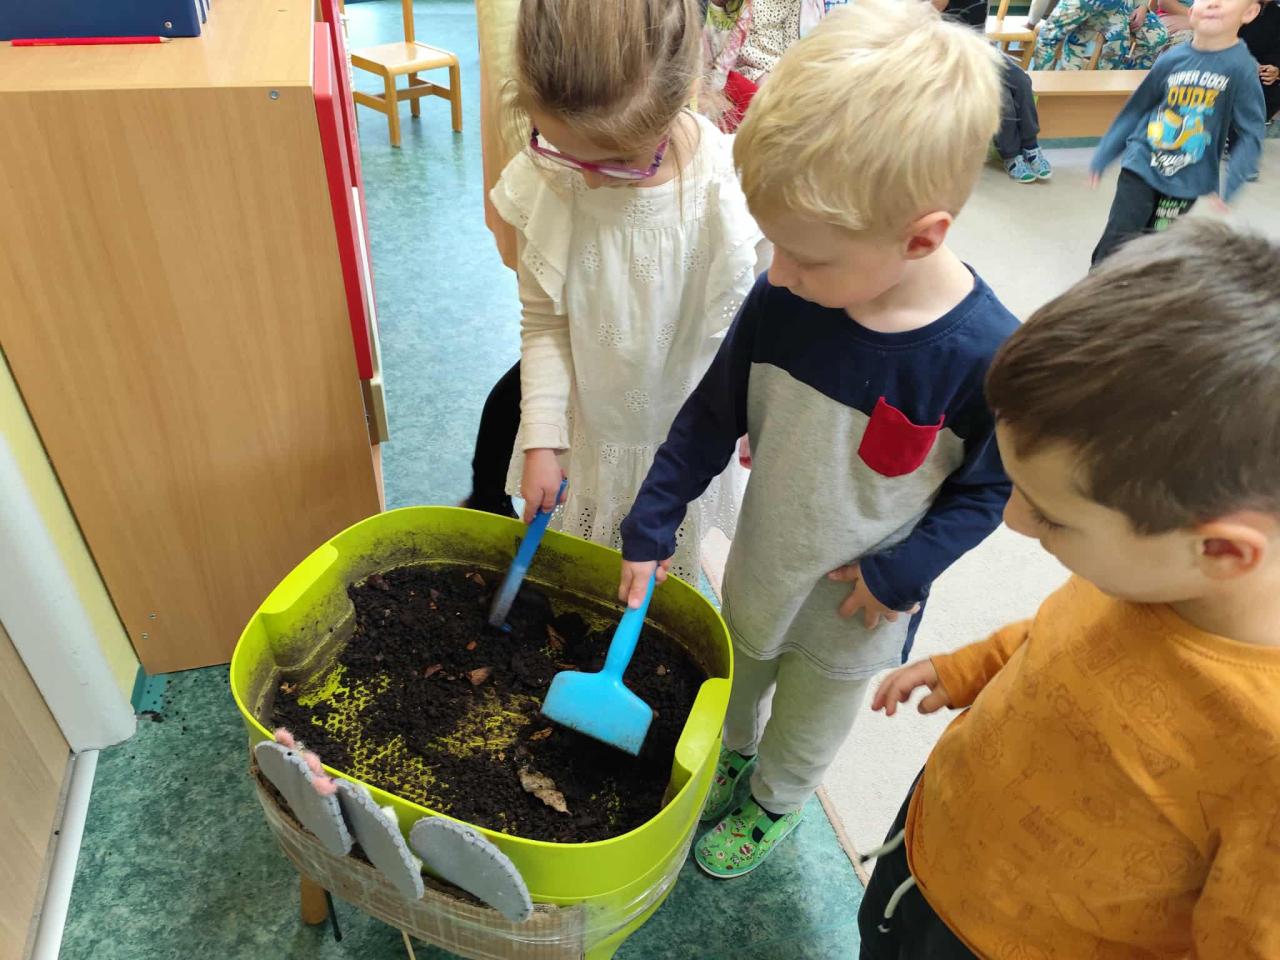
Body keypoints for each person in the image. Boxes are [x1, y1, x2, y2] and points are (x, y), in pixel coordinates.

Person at [617, 0, 1019, 879]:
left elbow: (991, 490)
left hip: (856, 607)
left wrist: (902, 573)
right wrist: (651, 521)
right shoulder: (785, 299)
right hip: (764, 564)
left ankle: (775, 800)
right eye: (776, 246)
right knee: (736, 680)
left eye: (807, 256)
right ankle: (733, 760)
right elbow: (710, 416)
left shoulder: (986, 356)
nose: (780, 272)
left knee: (809, 720)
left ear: (922, 237)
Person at [859, 221, 1280, 959]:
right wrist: (969, 667)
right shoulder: (1150, 573)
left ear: (1219, 549)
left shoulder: (1264, 744)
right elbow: (1059, 638)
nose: (1013, 521)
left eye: (1051, 514)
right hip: (928, 854)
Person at [480, 0, 767, 583]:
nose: (586, 177)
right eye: (561, 148)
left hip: (682, 441)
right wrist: (542, 440)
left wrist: (754, 418)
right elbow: (545, 324)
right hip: (589, 436)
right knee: (580, 581)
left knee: (665, 588)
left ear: (680, 94)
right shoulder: (549, 178)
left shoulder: (728, 190)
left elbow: (751, 335)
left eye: (617, 161)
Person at [1088, 0, 1265, 262]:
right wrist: (1104, 153)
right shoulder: (1172, 58)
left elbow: (1251, 131)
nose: (1213, 3)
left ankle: (1136, 283)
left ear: (1249, 12)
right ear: (1191, 12)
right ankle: (1100, 281)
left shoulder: (1241, 67)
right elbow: (1136, 109)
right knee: (1119, 237)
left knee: (1155, 242)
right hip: (1142, 161)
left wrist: (1233, 180)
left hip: (1188, 177)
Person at [935, 0, 1053, 182]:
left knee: (1021, 80)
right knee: (1000, 92)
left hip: (979, 48)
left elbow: (977, 27)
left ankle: (1031, 146)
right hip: (950, 54)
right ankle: (1011, 155)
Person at [1032, 0, 1168, 69]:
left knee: (1158, 36)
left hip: (1128, 6)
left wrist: (1142, 6)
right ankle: (1104, 86)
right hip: (1100, 7)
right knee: (1117, 39)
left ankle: (1129, 86)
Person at [1241, 0, 1280, 121]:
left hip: (1265, 83)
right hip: (1235, 72)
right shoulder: (1236, 9)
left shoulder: (1276, 13)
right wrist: (1248, 63)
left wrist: (1277, 70)